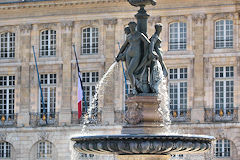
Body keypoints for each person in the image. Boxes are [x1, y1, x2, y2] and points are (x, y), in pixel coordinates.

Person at [116, 22, 150, 93]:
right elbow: (124, 46)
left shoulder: (140, 35)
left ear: (135, 26)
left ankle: (135, 88)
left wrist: (145, 52)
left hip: (136, 54)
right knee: (129, 72)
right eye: (130, 27)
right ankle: (135, 86)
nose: (131, 28)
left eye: (133, 26)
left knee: (130, 71)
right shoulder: (129, 36)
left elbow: (147, 42)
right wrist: (118, 54)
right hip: (129, 54)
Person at [149, 23, 168, 93]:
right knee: (164, 73)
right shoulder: (155, 36)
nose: (161, 30)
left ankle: (156, 86)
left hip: (159, 56)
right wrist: (152, 52)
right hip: (157, 56)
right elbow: (151, 44)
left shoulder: (155, 36)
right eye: (160, 28)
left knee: (162, 73)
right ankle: (156, 86)